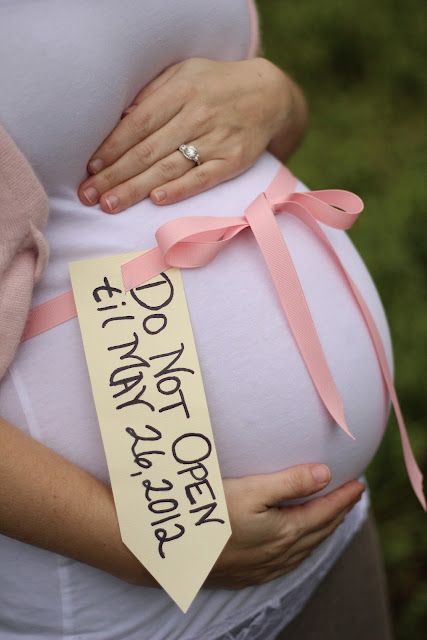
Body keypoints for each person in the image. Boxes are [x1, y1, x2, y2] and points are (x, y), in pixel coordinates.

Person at [0, 2, 394, 638]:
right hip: (128, 607)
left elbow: (217, 134)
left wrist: (276, 97)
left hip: (331, 540)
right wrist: (131, 542)